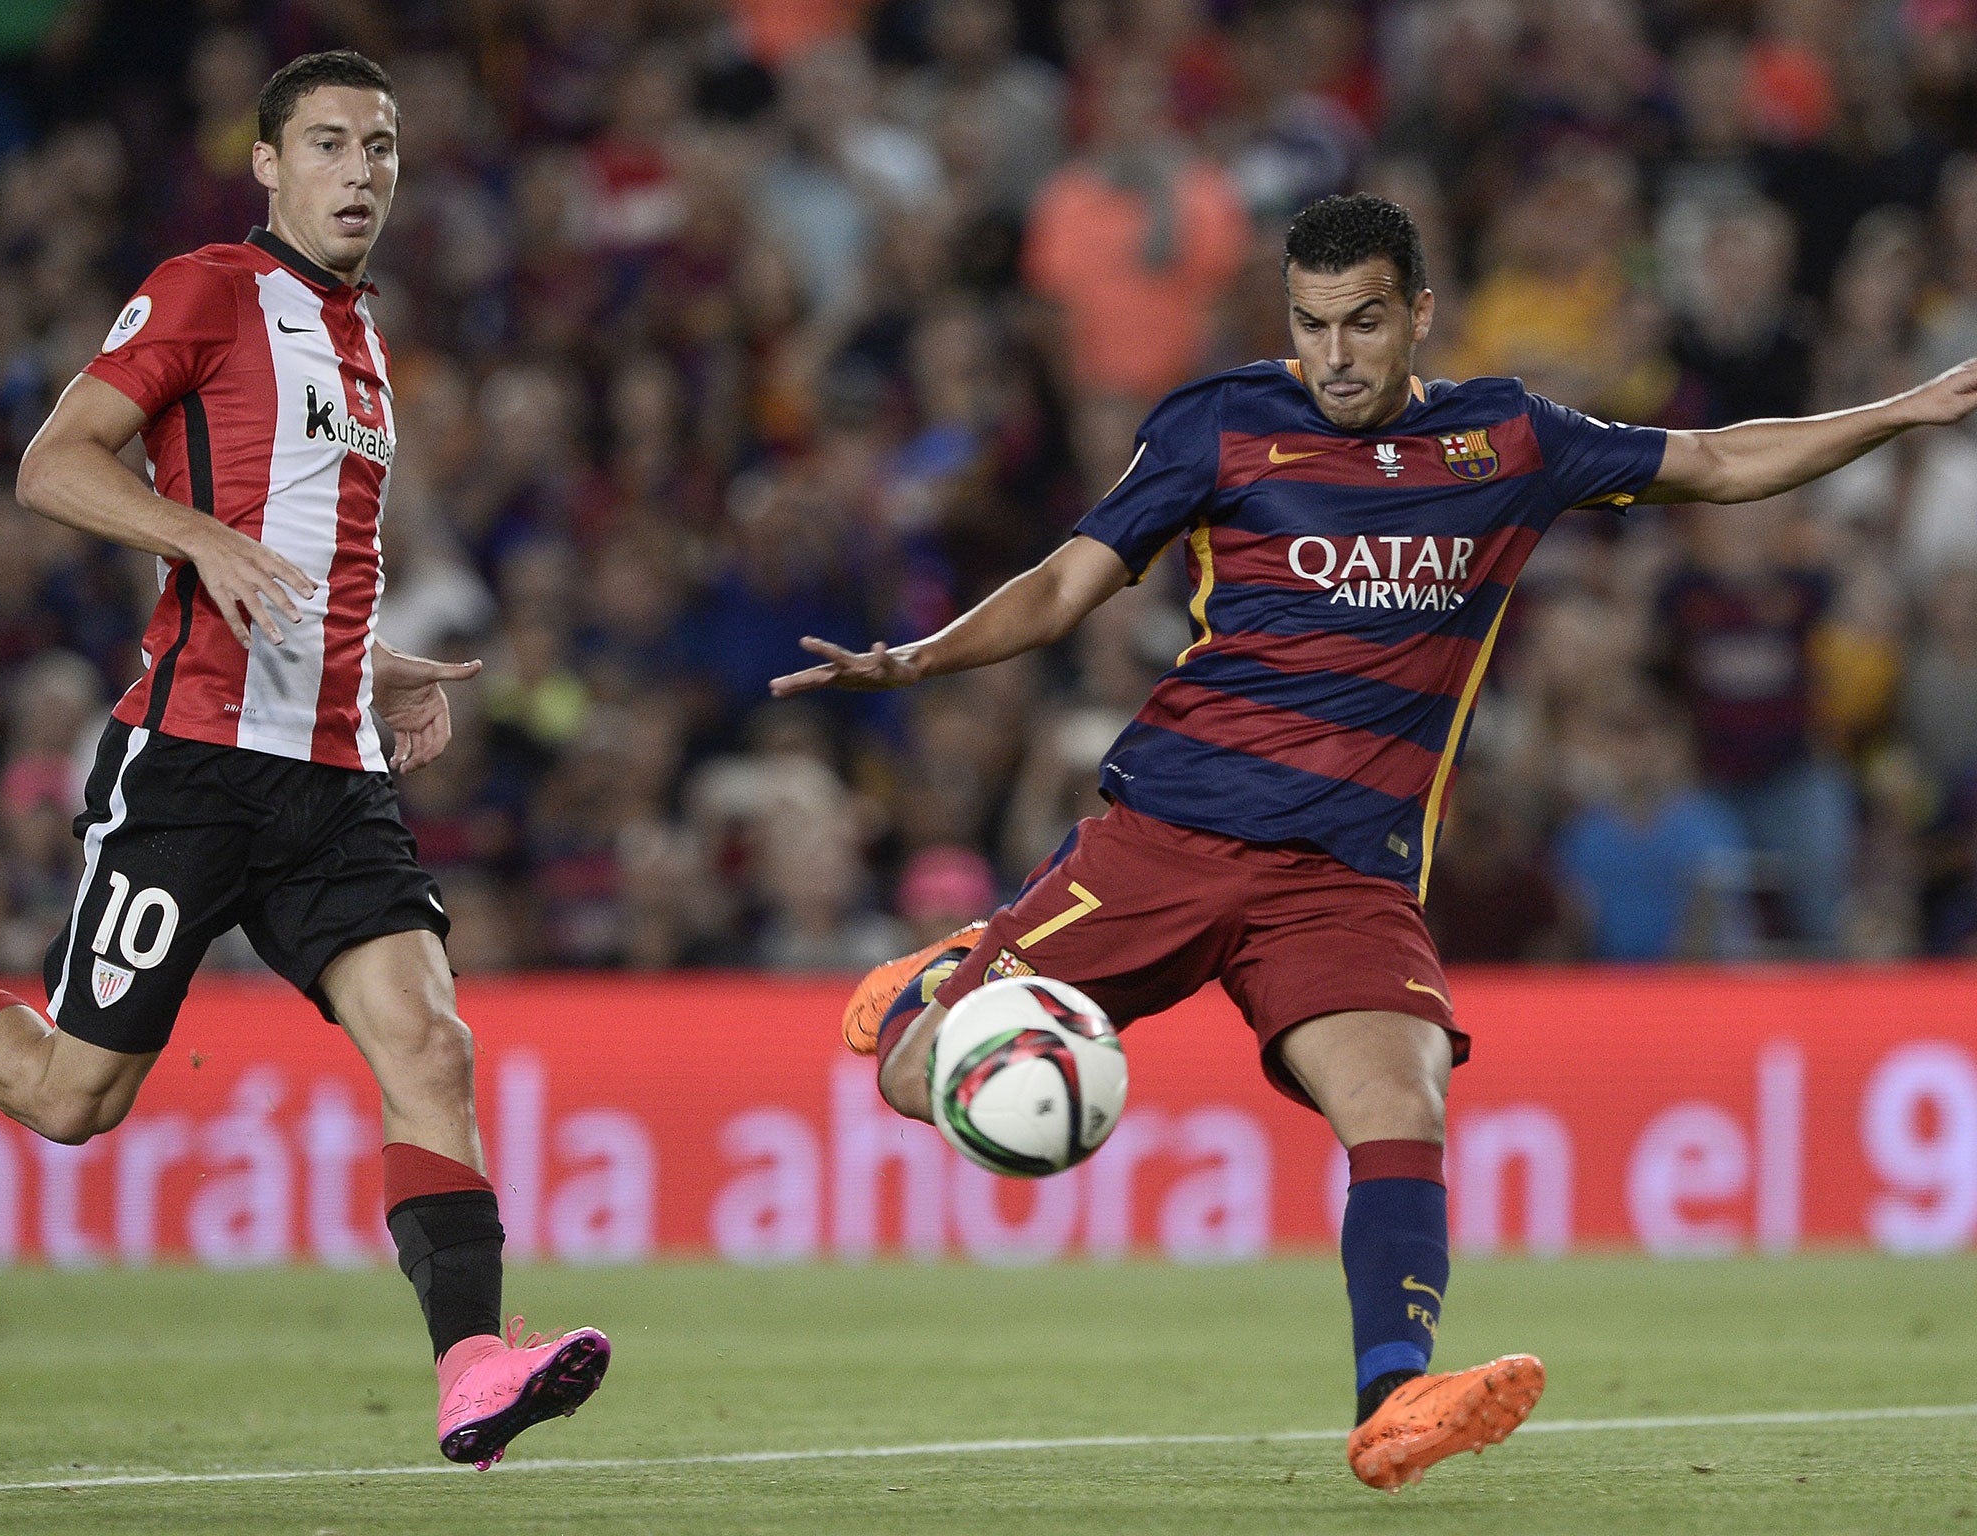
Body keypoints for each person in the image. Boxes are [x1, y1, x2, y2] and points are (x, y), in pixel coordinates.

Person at [771, 192, 1977, 1492]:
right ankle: (952, 969)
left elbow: (1722, 461)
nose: (1334, 354)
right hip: (1165, 841)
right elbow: (1070, 582)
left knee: (1400, 1102)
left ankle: (1394, 1399)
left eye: (1362, 323)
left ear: (1418, 314)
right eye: (1310, 324)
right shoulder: (1222, 422)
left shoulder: (1510, 438)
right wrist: (919, 659)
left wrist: (1901, 411)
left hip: (1344, 880)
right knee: (910, 1077)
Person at [0, 51, 606, 1469]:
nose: (362, 170)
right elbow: (52, 464)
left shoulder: (366, 345)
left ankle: (474, 1366)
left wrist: (381, 671)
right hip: (190, 766)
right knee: (71, 1097)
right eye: (330, 144)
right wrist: (196, 536)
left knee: (430, 1044)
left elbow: (313, 571)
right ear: (267, 164)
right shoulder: (206, 291)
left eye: (383, 145)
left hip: (334, 778)